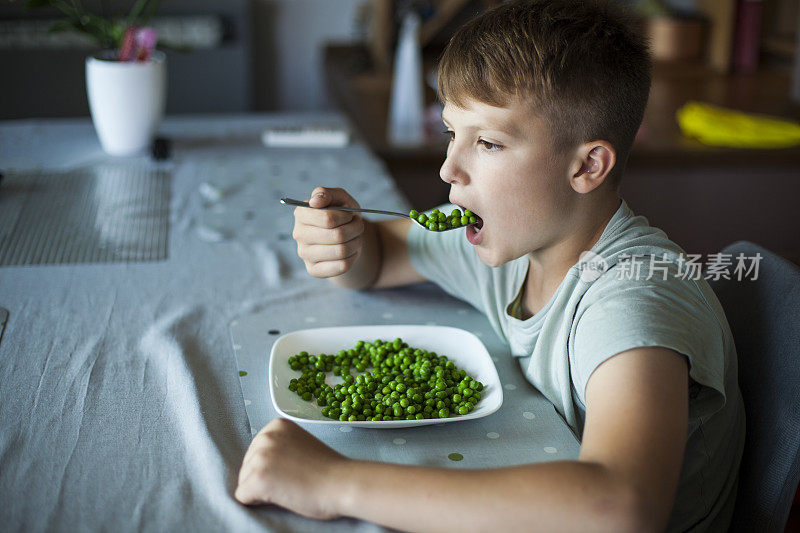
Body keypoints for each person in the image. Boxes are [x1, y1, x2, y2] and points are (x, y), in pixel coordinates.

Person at [235, 0, 745, 530]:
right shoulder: (513, 239)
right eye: (452, 133)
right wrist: (342, 243)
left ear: (587, 165)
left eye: (489, 142)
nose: (449, 168)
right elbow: (381, 255)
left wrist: (333, 482)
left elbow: (620, 507)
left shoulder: (634, 296)